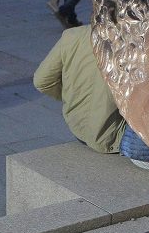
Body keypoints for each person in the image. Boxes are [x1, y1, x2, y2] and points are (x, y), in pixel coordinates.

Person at [33, 25, 125, 153]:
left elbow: (41, 81)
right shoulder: (136, 43)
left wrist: (73, 96)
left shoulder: (72, 35)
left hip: (76, 126)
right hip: (115, 135)